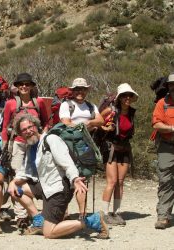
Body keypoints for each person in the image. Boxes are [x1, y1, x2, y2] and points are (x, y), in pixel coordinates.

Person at [8, 114, 109, 239]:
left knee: (49, 232)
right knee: (16, 189)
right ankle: (39, 220)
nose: (28, 131)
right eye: (24, 130)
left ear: (36, 126)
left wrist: (75, 178)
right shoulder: (31, 147)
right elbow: (24, 171)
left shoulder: (51, 139)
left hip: (59, 189)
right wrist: (13, 182)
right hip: (46, 186)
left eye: (30, 127)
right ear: (21, 134)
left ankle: (92, 221)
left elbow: (66, 161)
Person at [1, 72, 49, 225]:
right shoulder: (10, 104)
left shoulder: (39, 102)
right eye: (21, 84)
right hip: (18, 143)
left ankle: (38, 211)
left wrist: (44, 135)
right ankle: (21, 214)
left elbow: (47, 121)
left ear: (32, 86)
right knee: (17, 175)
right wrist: (4, 143)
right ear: (16, 87)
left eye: (27, 84)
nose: (24, 87)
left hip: (36, 143)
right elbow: (5, 126)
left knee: (37, 175)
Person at [59, 77, 104, 218]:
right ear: (72, 91)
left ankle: (82, 213)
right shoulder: (66, 105)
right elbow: (66, 122)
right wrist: (87, 126)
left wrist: (85, 124)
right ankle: (63, 212)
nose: (80, 92)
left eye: (83, 89)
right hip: (69, 145)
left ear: (86, 91)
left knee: (83, 177)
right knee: (66, 179)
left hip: (85, 145)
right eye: (77, 89)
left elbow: (101, 120)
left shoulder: (91, 106)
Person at [99, 83, 138, 226]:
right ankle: (105, 213)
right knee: (112, 181)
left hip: (125, 147)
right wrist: (105, 127)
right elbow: (97, 122)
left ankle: (116, 212)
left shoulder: (132, 112)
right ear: (120, 97)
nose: (127, 98)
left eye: (130, 95)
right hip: (111, 147)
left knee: (120, 182)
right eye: (124, 95)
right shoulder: (111, 110)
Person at [152, 73, 174, 229]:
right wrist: (172, 128)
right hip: (167, 145)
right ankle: (164, 216)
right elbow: (156, 124)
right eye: (172, 85)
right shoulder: (162, 103)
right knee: (165, 180)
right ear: (168, 87)